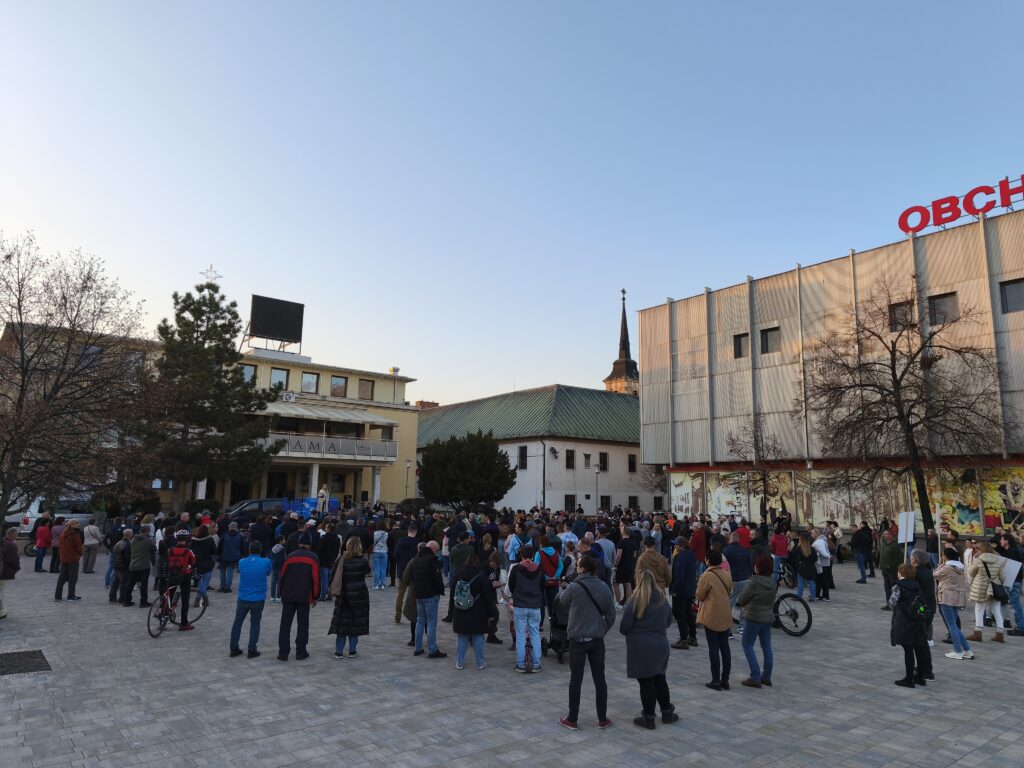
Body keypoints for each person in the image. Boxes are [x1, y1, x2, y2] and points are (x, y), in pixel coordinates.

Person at [556, 553, 615, 730]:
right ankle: (602, 718)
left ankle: (572, 718)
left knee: (576, 679)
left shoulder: (575, 586)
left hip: (577, 639)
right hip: (596, 639)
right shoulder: (604, 587)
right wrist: (601, 629)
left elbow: (562, 600)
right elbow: (611, 616)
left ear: (582, 568)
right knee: (599, 678)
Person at [620, 569, 677, 730]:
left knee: (646, 682)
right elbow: (668, 621)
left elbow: (624, 627)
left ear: (638, 581)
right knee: (660, 679)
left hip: (640, 647)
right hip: (659, 645)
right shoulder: (662, 599)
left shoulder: (634, 600)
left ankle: (649, 717)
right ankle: (667, 712)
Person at [451, 552, 499, 670]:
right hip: (478, 611)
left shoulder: (458, 574)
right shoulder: (481, 576)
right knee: (478, 637)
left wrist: (450, 613)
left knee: (462, 637)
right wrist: (492, 612)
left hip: (460, 610)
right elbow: (487, 597)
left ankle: (459, 662)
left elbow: (453, 594)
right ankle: (480, 662)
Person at [277, 533, 320, 661]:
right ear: (310, 545)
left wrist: (280, 592)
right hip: (304, 596)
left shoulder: (290, 556)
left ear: (299, 543)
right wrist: (315, 595)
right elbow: (316, 579)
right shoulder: (313, 557)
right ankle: (301, 651)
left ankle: (283, 652)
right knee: (302, 624)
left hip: (288, 595)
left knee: (285, 624)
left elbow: (282, 576)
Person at [736, 555, 778, 687]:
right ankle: (766, 676)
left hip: (753, 617)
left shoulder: (753, 582)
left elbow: (742, 599)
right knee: (767, 648)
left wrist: (739, 603)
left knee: (747, 645)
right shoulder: (773, 582)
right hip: (767, 618)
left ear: (758, 567)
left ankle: (755, 676)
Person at [890, 563, 933, 687]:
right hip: (918, 621)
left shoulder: (898, 586)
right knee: (919, 649)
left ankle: (909, 679)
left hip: (905, 621)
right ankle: (920, 677)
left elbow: (892, 603)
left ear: (901, 573)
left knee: (908, 650)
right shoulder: (916, 584)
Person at [695, 550, 733, 690]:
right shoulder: (726, 574)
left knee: (713, 649)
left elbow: (699, 596)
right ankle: (725, 679)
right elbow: (729, 591)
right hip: (725, 612)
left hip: (711, 614)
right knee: (725, 648)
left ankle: (715, 680)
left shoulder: (707, 575)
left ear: (708, 560)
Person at [329, 537, 371, 658]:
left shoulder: (341, 559)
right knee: (355, 624)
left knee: (342, 624)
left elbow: (333, 575)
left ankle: (339, 651)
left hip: (344, 594)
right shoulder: (363, 560)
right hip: (359, 595)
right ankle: (352, 650)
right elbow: (367, 571)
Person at [229, 541, 271, 654]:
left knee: (237, 622)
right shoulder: (266, 562)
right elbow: (268, 573)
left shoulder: (242, 562)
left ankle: (233, 647)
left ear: (249, 550)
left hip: (243, 596)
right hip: (258, 597)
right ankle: (252, 649)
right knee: (255, 623)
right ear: (260, 550)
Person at [508, 545, 544, 673]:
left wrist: (517, 595)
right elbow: (542, 586)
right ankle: (536, 664)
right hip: (535, 605)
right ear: (533, 555)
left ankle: (521, 664)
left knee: (520, 635)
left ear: (521, 556)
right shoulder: (539, 568)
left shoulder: (516, 569)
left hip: (520, 605)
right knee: (535, 634)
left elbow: (511, 585)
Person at [409, 540, 447, 658]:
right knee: (431, 622)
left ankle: (418, 648)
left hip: (419, 594)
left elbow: (412, 577)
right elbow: (437, 578)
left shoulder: (415, 559)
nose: (437, 551)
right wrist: (440, 590)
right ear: (432, 549)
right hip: (431, 595)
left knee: (420, 621)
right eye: (436, 549)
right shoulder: (432, 560)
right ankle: (432, 649)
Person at [934, 547, 973, 660]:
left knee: (951, 626)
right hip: (958, 597)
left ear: (945, 556)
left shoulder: (947, 567)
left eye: (943, 555)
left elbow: (935, 575)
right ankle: (967, 650)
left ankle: (958, 651)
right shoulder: (961, 567)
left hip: (947, 597)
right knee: (954, 626)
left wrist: (940, 565)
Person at [967, 542, 1005, 643]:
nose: (976, 551)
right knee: (996, 611)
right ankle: (1000, 634)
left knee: (979, 610)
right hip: (995, 588)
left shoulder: (978, 560)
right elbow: (1002, 578)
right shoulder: (998, 561)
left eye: (977, 549)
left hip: (981, 588)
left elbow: (970, 572)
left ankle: (977, 634)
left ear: (981, 550)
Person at [669, 536, 698, 649]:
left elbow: (679, 576)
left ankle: (683, 638)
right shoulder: (691, 555)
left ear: (682, 546)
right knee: (688, 613)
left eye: (676, 545)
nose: (674, 547)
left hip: (681, 590)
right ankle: (692, 636)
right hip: (689, 589)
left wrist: (674, 590)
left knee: (678, 612)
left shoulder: (680, 557)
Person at [996, 532, 1024, 636]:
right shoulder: (1012, 550)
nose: (1000, 541)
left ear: (1007, 541)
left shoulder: (1012, 552)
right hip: (1014, 581)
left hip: (1013, 581)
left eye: (1002, 539)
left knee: (1015, 605)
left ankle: (1021, 627)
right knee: (1014, 604)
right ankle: (1020, 626)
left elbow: (1011, 568)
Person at [123, 524, 155, 607]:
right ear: (147, 531)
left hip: (133, 564)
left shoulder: (132, 540)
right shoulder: (148, 540)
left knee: (130, 583)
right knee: (144, 584)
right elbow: (154, 548)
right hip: (144, 565)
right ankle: (143, 602)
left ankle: (126, 601)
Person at [910, 549, 937, 648]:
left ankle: (923, 639)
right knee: (927, 620)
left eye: (912, 557)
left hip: (921, 604)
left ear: (916, 559)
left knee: (921, 619)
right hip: (929, 603)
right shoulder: (928, 570)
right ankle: (929, 638)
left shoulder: (916, 572)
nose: (910, 558)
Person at [393, 524, 420, 623]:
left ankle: (397, 615)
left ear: (408, 531)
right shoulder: (417, 543)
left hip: (402, 570)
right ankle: (413, 615)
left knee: (400, 594)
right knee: (414, 595)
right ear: (415, 531)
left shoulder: (401, 541)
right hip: (414, 572)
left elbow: (395, 555)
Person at [54, 519, 84, 601]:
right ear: (72, 525)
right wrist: (80, 554)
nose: (79, 524)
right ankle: (71, 595)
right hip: (73, 558)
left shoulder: (63, 533)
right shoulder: (75, 534)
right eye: (77, 523)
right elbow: (79, 547)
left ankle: (58, 596)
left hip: (64, 558)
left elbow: (60, 546)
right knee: (73, 578)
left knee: (62, 578)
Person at [614, 524, 638, 605]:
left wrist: (616, 564)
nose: (620, 530)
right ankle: (628, 602)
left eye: (621, 529)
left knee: (615, 583)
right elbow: (634, 555)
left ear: (623, 532)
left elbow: (618, 555)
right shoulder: (633, 542)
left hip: (622, 566)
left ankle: (618, 602)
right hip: (630, 565)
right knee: (628, 583)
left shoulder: (621, 542)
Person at [0, 527, 21, 618]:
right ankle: (1, 612)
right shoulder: (11, 545)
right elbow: (14, 560)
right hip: (4, 571)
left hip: (3, 570)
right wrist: (16, 569)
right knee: (1, 592)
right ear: (13, 534)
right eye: (16, 534)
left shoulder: (3, 542)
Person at [217, 522, 244, 593]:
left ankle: (222, 586)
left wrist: (219, 555)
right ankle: (228, 588)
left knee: (222, 571)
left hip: (224, 556)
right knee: (230, 572)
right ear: (236, 528)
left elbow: (219, 546)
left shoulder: (224, 535)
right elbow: (242, 547)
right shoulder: (239, 536)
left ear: (229, 527)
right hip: (234, 557)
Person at [878, 529, 902, 609]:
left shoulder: (895, 546)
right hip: (884, 570)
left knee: (894, 587)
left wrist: (893, 566)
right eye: (884, 534)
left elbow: (900, 559)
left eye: (887, 534)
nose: (885, 536)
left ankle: (895, 604)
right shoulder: (884, 544)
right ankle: (889, 604)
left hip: (893, 570)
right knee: (887, 587)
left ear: (891, 535)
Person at [108, 529, 133, 603]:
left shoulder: (119, 542)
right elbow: (127, 556)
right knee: (123, 583)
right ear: (130, 535)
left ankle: (112, 597)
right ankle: (122, 598)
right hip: (123, 566)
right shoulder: (127, 544)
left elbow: (114, 553)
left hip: (117, 565)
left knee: (116, 582)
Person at [793, 533, 818, 603]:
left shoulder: (800, 549)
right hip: (811, 568)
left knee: (800, 583)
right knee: (812, 583)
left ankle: (799, 596)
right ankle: (813, 597)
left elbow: (796, 559)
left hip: (802, 568)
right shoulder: (812, 549)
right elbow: (816, 558)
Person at [811, 528, 832, 601]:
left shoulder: (818, 542)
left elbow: (824, 553)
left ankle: (825, 596)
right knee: (821, 580)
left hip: (821, 564)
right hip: (823, 563)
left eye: (812, 533)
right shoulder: (822, 540)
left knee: (822, 580)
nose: (811, 535)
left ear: (816, 533)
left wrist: (828, 556)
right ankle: (819, 595)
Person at [371, 522, 389, 591]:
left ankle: (376, 585)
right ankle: (383, 584)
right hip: (384, 551)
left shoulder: (374, 533)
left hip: (376, 551)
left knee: (376, 569)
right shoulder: (386, 533)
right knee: (383, 569)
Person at [270, 535, 286, 603]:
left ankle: (272, 596)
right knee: (279, 582)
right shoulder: (282, 549)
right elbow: (284, 558)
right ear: (280, 541)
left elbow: (270, 557)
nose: (284, 541)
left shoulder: (272, 548)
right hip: (281, 566)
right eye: (284, 540)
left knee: (273, 582)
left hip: (274, 566)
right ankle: (278, 596)